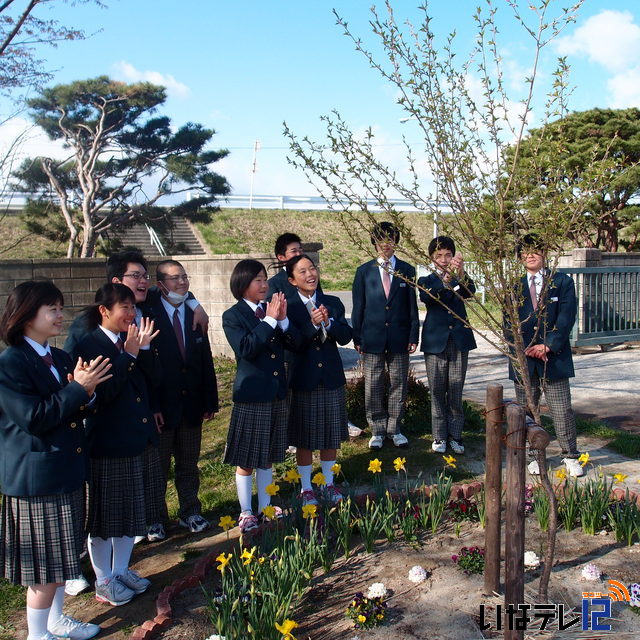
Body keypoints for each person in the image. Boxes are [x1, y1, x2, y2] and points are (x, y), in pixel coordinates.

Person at [0, 280, 111, 640]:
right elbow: (34, 418)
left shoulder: (59, 356)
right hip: (38, 477)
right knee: (43, 567)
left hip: (66, 469)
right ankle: (37, 634)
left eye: (61, 308)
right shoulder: (11, 364)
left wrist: (87, 393)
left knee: (63, 556)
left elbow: (75, 402)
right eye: (53, 309)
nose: (60, 315)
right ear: (26, 315)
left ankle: (56, 620)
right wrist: (79, 389)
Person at [74, 284, 161, 606]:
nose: (131, 313)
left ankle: (122, 569)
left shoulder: (134, 342)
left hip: (137, 438)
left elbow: (155, 381)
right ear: (104, 311)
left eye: (132, 307)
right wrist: (129, 356)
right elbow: (102, 397)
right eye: (123, 307)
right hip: (108, 443)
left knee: (130, 512)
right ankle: (104, 579)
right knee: (104, 518)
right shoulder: (89, 345)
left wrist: (145, 351)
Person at [222, 259, 299, 533]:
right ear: (242, 285)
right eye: (258, 280)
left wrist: (284, 319)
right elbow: (246, 348)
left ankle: (265, 506)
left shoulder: (273, 312)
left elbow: (294, 343)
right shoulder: (233, 316)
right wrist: (268, 320)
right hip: (252, 395)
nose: (265, 285)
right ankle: (245, 511)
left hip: (276, 392)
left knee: (267, 456)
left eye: (265, 279)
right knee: (247, 458)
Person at [148, 260, 219, 538]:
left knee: (188, 464)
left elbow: (205, 360)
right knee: (159, 468)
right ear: (160, 285)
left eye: (184, 277)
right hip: (162, 409)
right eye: (174, 279)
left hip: (191, 406)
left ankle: (190, 511)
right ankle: (155, 517)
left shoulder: (194, 316)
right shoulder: (148, 315)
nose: (182, 283)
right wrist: (153, 406)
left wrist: (210, 401)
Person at [509, 234, 583, 478]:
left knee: (561, 409)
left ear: (544, 253)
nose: (530, 255)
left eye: (535, 250)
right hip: (524, 359)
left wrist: (548, 345)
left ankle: (570, 455)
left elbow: (566, 317)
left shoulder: (561, 282)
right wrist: (521, 350)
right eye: (525, 251)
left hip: (554, 356)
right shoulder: (514, 285)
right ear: (520, 257)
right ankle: (534, 455)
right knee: (527, 410)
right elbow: (507, 323)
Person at [285, 255, 352, 505]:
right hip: (304, 378)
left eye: (312, 268)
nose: (310, 275)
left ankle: (328, 484)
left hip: (331, 377)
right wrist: (312, 326)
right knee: (304, 437)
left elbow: (346, 336)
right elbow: (292, 343)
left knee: (330, 435)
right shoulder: (288, 307)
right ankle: (306, 488)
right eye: (302, 272)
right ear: (292, 280)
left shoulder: (332, 303)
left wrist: (329, 322)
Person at [351, 222, 419, 449]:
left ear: (396, 241)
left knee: (399, 383)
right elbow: (358, 307)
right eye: (381, 239)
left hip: (399, 337)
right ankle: (377, 430)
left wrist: (413, 334)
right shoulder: (364, 271)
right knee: (373, 384)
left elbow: (412, 307)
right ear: (374, 242)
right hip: (372, 338)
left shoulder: (407, 270)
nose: (385, 244)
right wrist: (357, 337)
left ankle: (395, 428)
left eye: (390, 239)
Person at [418, 236, 476, 454]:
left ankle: (456, 435)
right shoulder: (426, 280)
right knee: (437, 389)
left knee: (455, 389)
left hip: (459, 340)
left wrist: (459, 275)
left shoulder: (462, 277)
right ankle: (439, 435)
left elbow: (471, 292)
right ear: (432, 259)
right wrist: (450, 278)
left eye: (448, 255)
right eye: (439, 256)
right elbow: (433, 298)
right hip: (435, 342)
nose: (444, 259)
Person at [267, 232, 304, 298]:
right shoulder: (273, 284)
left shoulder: (311, 277)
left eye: (300, 250)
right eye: (294, 251)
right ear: (281, 257)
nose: (299, 254)